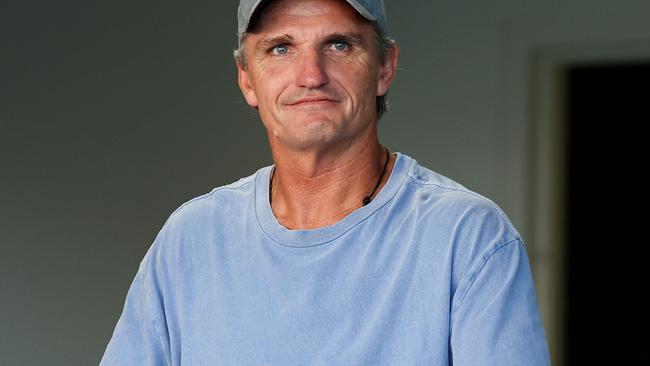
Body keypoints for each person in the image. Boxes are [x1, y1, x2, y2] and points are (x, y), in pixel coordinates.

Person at [100, 0, 551, 364]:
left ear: (384, 67)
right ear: (246, 79)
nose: (311, 75)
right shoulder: (191, 240)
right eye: (280, 48)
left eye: (338, 44)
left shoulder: (467, 237)